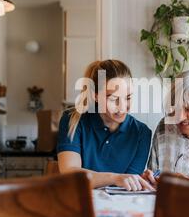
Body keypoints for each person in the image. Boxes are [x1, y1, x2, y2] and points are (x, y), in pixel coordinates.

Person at [57, 60, 154, 191]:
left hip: (120, 206)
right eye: (113, 99)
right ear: (95, 96)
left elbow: (129, 185)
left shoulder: (142, 133)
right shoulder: (73, 120)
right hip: (79, 203)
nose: (122, 107)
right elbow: (70, 175)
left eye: (128, 97)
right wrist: (115, 178)